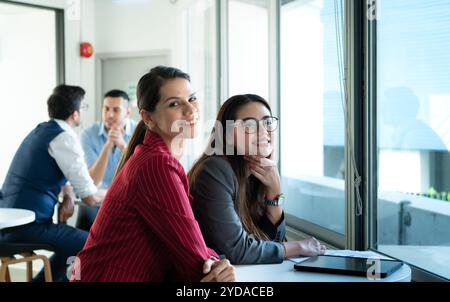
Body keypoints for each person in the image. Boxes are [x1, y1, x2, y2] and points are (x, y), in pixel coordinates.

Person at [72, 66, 235, 282]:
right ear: (148, 118)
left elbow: (193, 251)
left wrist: (213, 262)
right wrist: (216, 265)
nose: (190, 110)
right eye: (174, 103)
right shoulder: (156, 165)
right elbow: (194, 260)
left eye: (192, 98)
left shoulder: (155, 158)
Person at [188, 94, 326, 264]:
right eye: (249, 125)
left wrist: (275, 192)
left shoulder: (256, 172)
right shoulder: (214, 169)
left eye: (267, 122)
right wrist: (297, 247)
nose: (263, 132)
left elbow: (270, 244)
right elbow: (238, 251)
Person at [0, 85, 102, 281]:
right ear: (75, 113)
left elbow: (55, 173)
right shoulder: (64, 138)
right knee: (88, 243)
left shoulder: (41, 131)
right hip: (25, 228)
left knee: (72, 244)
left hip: (10, 223)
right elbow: (90, 196)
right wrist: (118, 193)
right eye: (84, 107)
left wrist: (69, 194)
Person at [77, 90, 137, 231]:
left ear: (127, 112)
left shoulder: (141, 131)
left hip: (128, 199)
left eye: (116, 110)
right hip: (97, 200)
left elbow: (143, 170)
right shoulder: (87, 134)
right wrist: (107, 146)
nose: (109, 115)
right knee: (84, 231)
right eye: (106, 109)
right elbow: (92, 181)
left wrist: (122, 145)